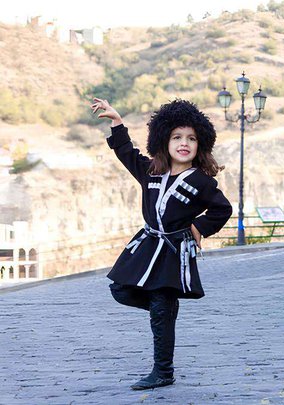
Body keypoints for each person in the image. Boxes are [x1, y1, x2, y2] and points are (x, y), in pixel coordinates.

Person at [91, 98, 232, 389]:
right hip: (146, 244)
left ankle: (163, 372)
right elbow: (126, 152)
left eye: (191, 138)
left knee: (160, 303)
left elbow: (223, 209)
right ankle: (164, 310)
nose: (184, 143)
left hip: (173, 252)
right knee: (119, 289)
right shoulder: (151, 170)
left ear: (200, 144)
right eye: (177, 137)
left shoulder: (203, 182)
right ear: (164, 140)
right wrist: (118, 123)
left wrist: (198, 228)